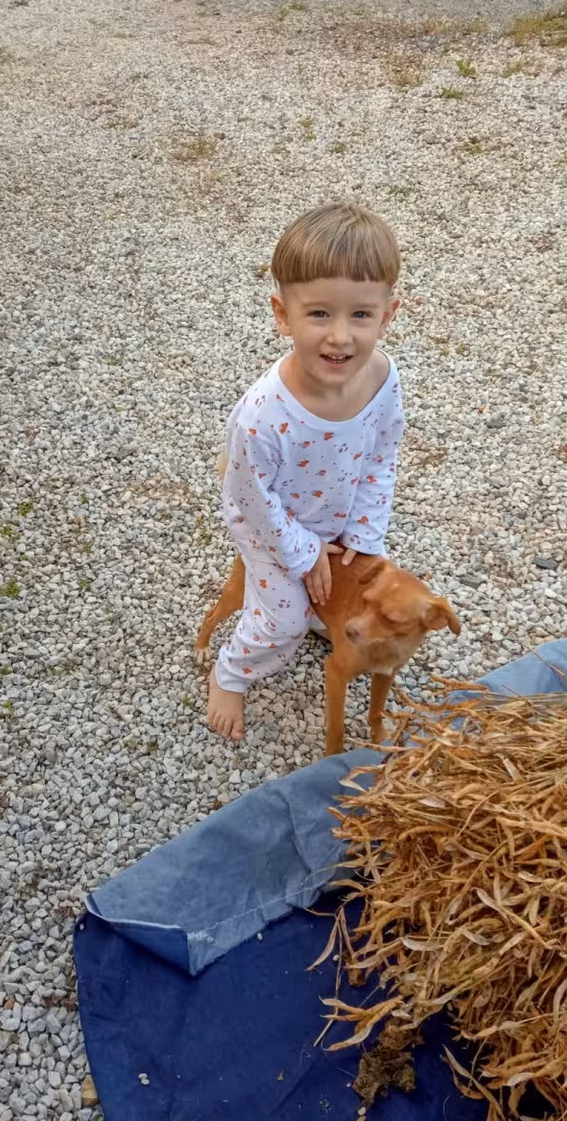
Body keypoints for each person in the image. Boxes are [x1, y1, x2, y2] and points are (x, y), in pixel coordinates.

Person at [207, 202, 405, 740]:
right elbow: (249, 496)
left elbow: (381, 455)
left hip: (335, 513)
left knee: (351, 585)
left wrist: (363, 534)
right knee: (283, 622)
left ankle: (319, 606)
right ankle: (231, 671)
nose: (340, 336)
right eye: (319, 314)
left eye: (360, 315)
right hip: (269, 525)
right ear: (282, 314)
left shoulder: (383, 379)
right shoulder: (264, 415)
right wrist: (303, 551)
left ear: (387, 315)